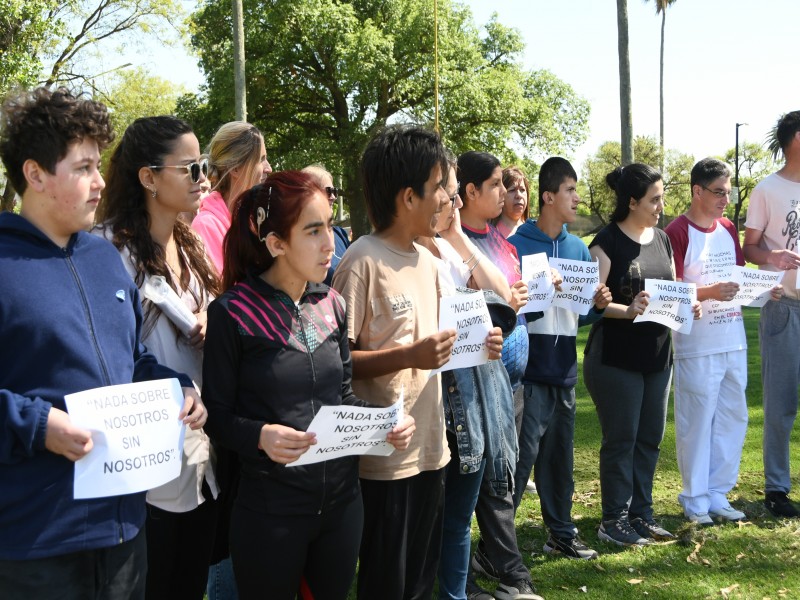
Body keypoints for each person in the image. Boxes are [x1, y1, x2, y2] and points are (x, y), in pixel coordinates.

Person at [0, 86, 204, 599]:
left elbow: (132, 360)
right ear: (35, 174)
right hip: (33, 543)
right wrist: (39, 426)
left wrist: (175, 388)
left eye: (100, 167)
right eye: (85, 167)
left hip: (124, 534)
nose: (100, 183)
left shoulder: (103, 259)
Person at [202, 171, 415, 600]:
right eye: (313, 231)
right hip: (269, 513)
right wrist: (260, 435)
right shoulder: (232, 313)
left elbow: (342, 395)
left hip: (342, 506)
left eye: (328, 226)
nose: (329, 244)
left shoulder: (332, 304)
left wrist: (384, 424)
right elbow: (216, 417)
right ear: (276, 243)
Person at [94, 115, 221, 599]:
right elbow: (111, 352)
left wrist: (217, 321)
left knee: (189, 583)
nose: (204, 177)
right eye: (191, 168)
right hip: (143, 462)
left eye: (205, 164)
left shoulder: (193, 247)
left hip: (202, 453)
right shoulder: (107, 251)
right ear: (148, 178)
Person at [331, 125, 456, 600]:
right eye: (439, 186)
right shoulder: (361, 261)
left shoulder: (427, 259)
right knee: (387, 580)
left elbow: (439, 342)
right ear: (408, 197)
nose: (445, 197)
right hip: (382, 459)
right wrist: (409, 355)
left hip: (430, 447)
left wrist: (474, 341)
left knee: (422, 577)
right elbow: (337, 364)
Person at [416, 158, 518, 600]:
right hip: (437, 406)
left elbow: (502, 298)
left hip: (472, 410)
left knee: (457, 520)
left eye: (456, 193)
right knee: (431, 522)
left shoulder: (451, 251)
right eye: (449, 193)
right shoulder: (412, 255)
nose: (455, 201)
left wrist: (456, 235)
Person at [584, 163, 699, 546]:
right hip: (616, 359)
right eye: (654, 199)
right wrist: (628, 309)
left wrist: (688, 305)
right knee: (622, 439)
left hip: (658, 357)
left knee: (649, 438)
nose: (661, 206)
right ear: (632, 202)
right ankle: (613, 519)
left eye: (662, 198)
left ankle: (641, 515)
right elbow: (592, 305)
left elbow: (672, 288)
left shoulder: (663, 239)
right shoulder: (605, 243)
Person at [665, 158, 782, 525]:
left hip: (732, 339)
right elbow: (673, 290)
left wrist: (763, 288)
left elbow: (736, 277)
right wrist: (710, 291)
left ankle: (718, 493)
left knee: (734, 418)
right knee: (696, 421)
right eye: (719, 192)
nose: (725, 201)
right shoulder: (677, 231)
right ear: (697, 191)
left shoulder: (729, 227)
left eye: (728, 193)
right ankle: (695, 499)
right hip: (696, 345)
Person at [508, 157, 611, 560]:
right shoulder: (516, 245)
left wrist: (598, 304)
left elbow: (579, 314)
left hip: (564, 372)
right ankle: (496, 545)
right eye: (571, 190)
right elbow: (509, 308)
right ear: (548, 196)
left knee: (559, 464)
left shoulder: (578, 250)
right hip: (528, 374)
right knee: (519, 465)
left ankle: (561, 533)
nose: (577, 198)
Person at [458, 151, 540, 600]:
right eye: (494, 185)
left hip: (512, 378)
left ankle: (501, 565)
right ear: (469, 191)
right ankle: (485, 574)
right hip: (471, 386)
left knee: (503, 477)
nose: (505, 193)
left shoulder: (502, 241)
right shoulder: (448, 243)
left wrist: (521, 294)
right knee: (475, 481)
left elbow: (511, 298)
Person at [743, 109, 800, 518]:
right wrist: (771, 256)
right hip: (783, 307)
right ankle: (777, 489)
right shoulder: (766, 189)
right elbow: (750, 248)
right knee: (780, 403)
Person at [192, 121, 271, 275]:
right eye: (261, 159)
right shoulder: (206, 226)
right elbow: (222, 292)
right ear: (235, 168)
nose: (268, 168)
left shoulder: (257, 220)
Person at [301, 164, 350, 285]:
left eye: (335, 191)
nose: (333, 197)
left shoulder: (340, 234)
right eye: (328, 191)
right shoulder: (300, 238)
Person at [494, 166, 530, 238]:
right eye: (512, 190)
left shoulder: (535, 231)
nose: (519, 195)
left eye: (522, 190)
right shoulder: (490, 234)